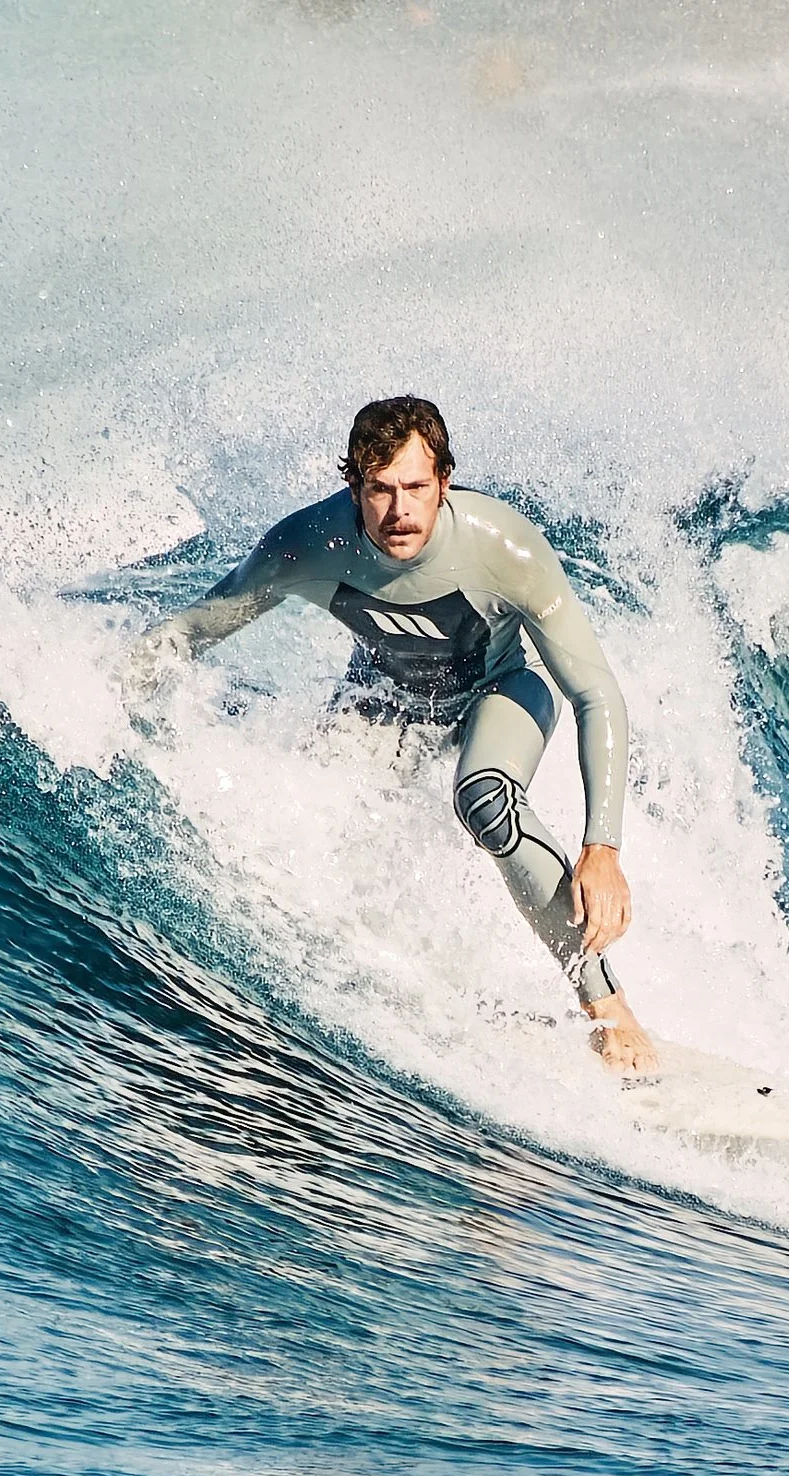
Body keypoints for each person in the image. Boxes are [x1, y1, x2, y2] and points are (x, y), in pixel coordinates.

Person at [134, 396, 660, 1073]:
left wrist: (603, 847)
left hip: (498, 690)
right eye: (378, 489)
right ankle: (380, 978)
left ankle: (608, 1008)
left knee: (485, 798)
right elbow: (195, 626)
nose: (398, 509)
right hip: (385, 699)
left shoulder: (502, 547)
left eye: (415, 486)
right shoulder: (309, 544)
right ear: (353, 484)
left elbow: (596, 693)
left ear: (445, 480)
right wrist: (88, 697)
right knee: (306, 835)